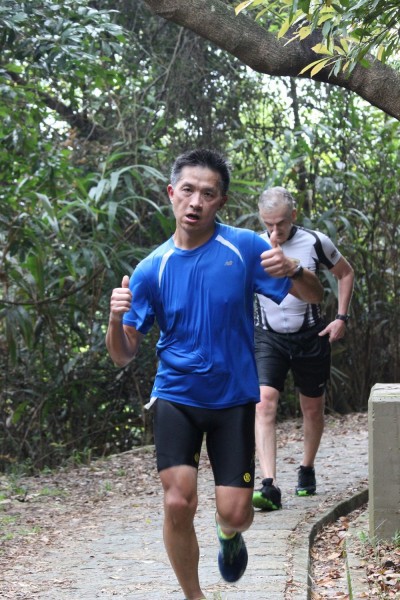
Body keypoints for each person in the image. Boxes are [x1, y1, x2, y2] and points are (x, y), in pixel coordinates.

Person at [106, 150, 324, 600]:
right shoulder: (151, 268)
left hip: (232, 397)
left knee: (237, 513)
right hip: (177, 394)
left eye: (208, 194)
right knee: (177, 500)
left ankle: (229, 533)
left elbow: (314, 295)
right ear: (171, 193)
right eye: (187, 190)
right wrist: (114, 320)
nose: (196, 202)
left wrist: (295, 270)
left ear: (220, 202)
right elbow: (123, 354)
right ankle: (194, 596)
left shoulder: (244, 248)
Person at [252, 186, 355, 512]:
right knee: (263, 403)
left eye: (281, 223)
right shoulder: (253, 245)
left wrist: (341, 318)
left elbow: (345, 273)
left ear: (293, 215)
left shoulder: (314, 241)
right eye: (268, 223)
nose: (275, 231)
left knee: (312, 408)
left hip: (310, 335)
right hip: (268, 336)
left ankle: (307, 467)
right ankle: (268, 484)